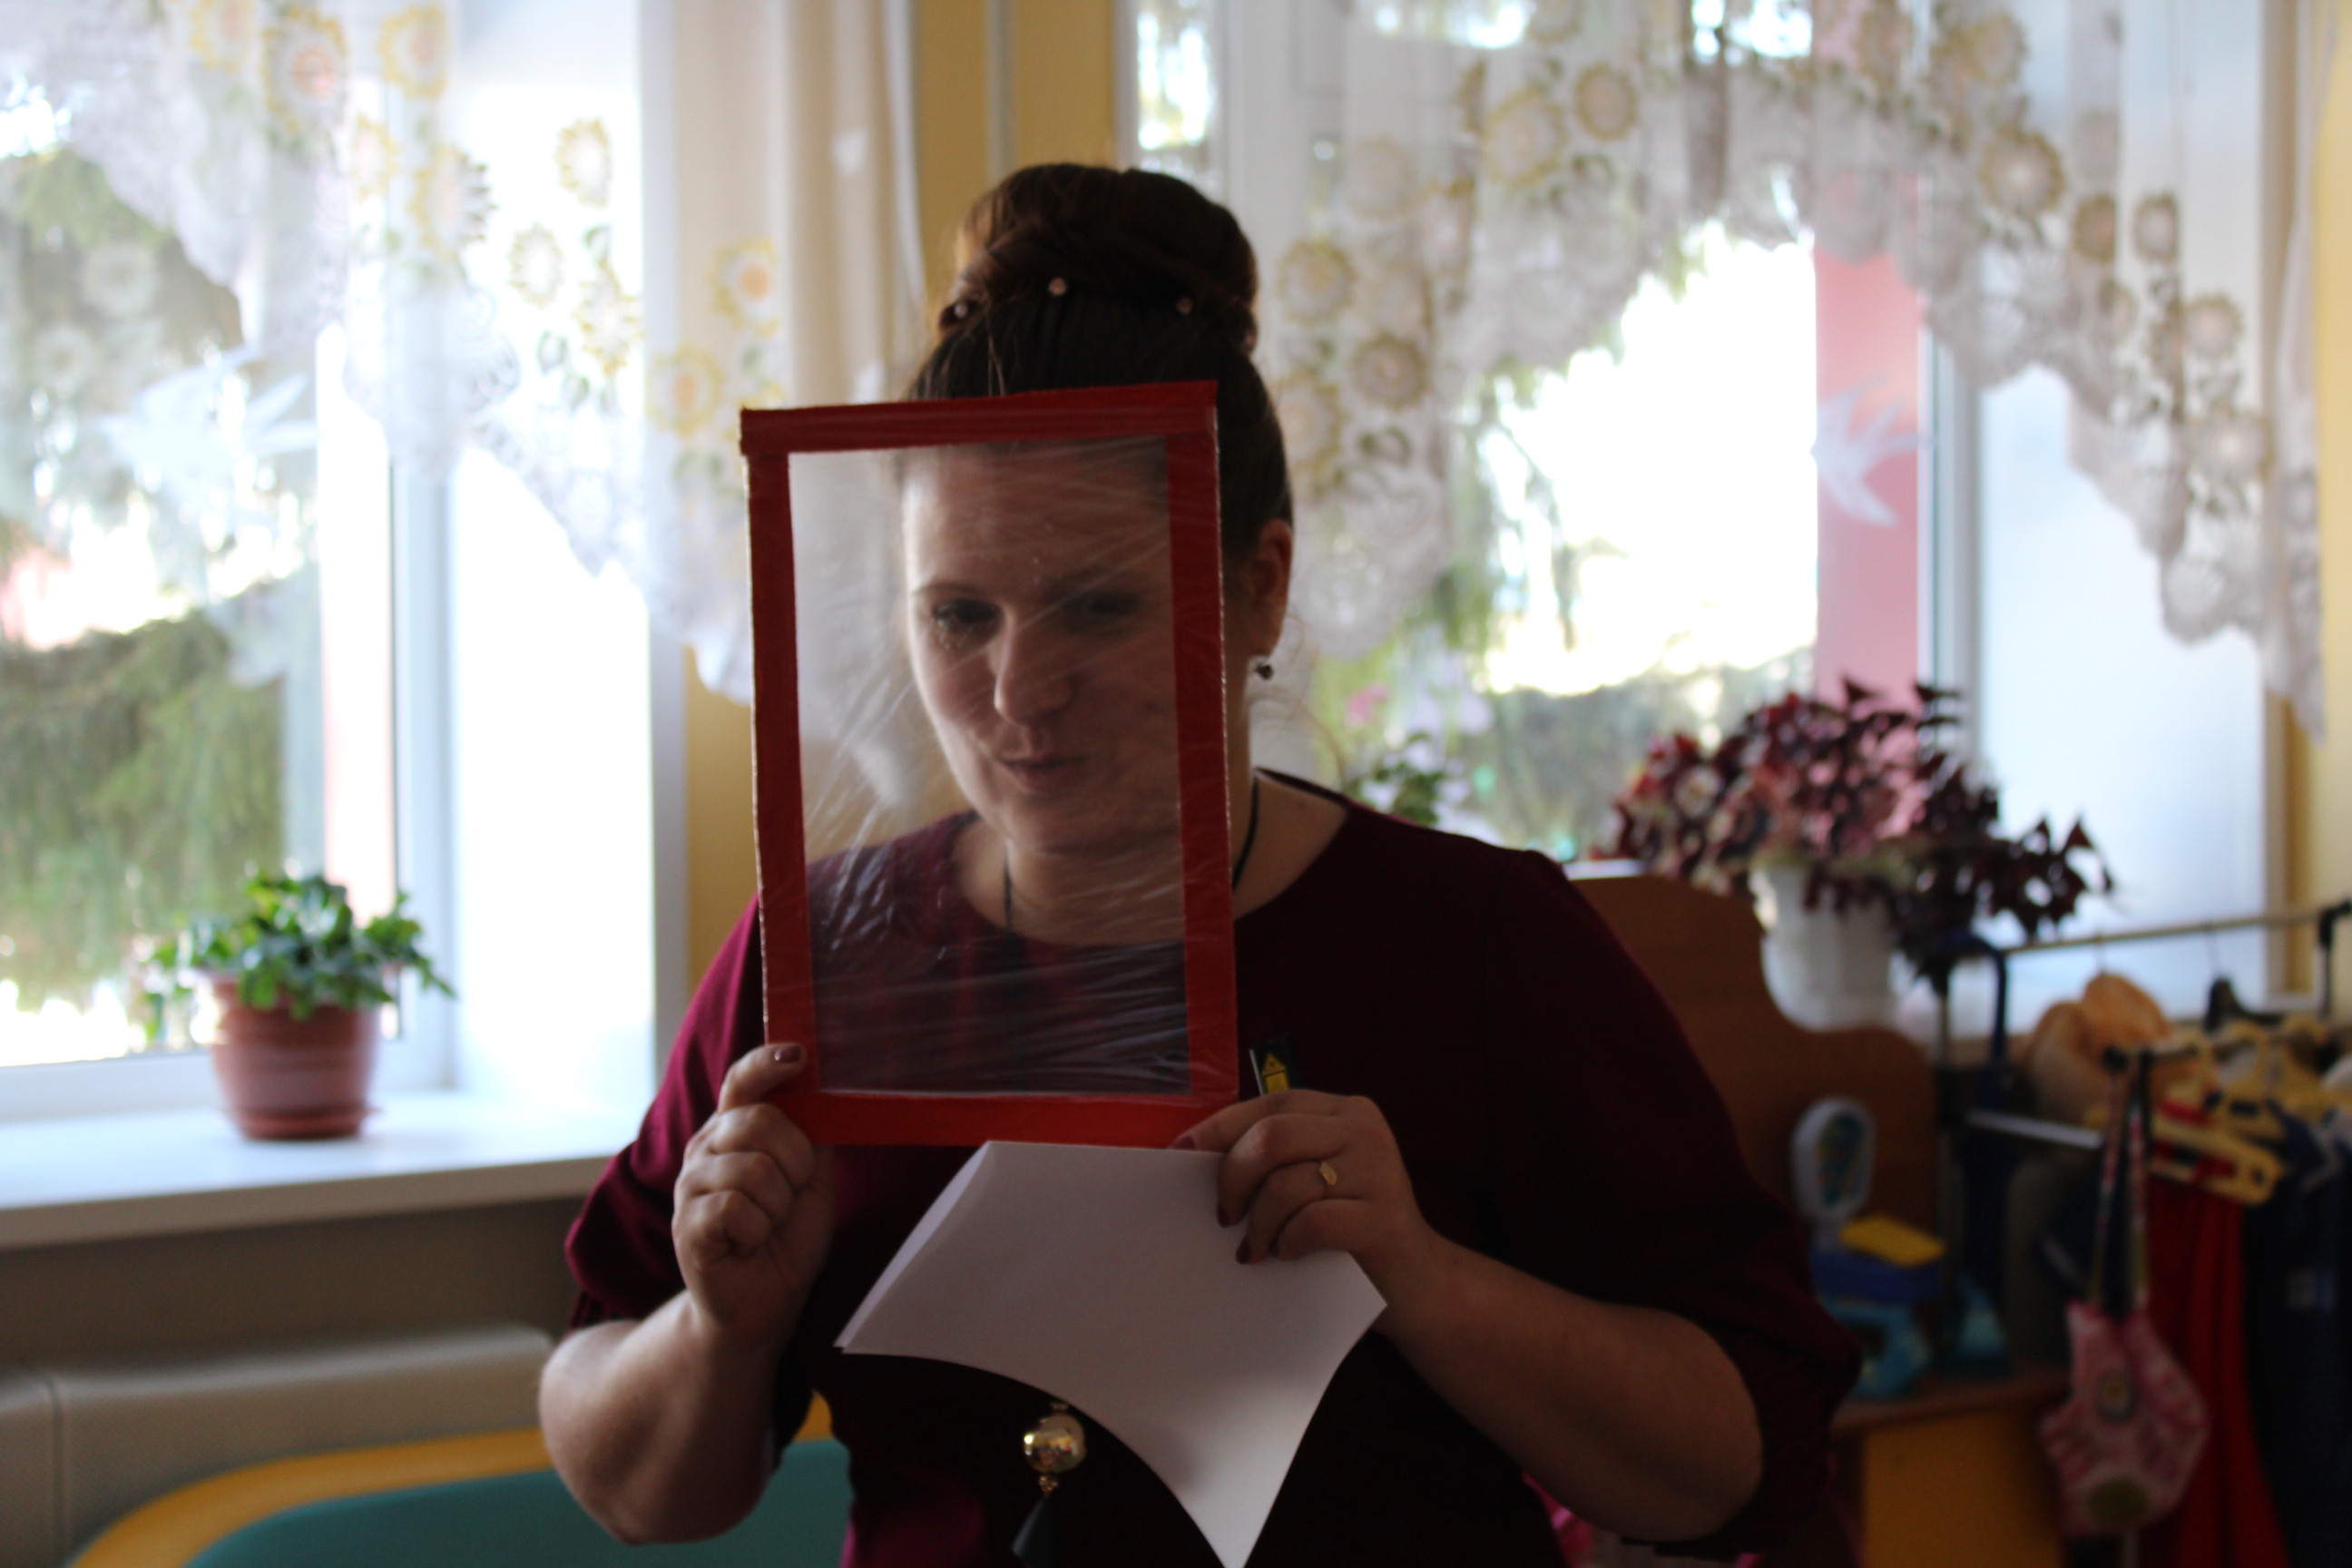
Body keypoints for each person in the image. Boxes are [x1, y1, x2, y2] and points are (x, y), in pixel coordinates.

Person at [541, 164, 1858, 1566]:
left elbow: (1745, 1461)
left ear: (1260, 588)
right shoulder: (823, 960)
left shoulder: (1473, 946)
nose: (1019, 690)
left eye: (1097, 607)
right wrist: (720, 1329)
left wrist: (1419, 1275)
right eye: (958, 615)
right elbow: (628, 1487)